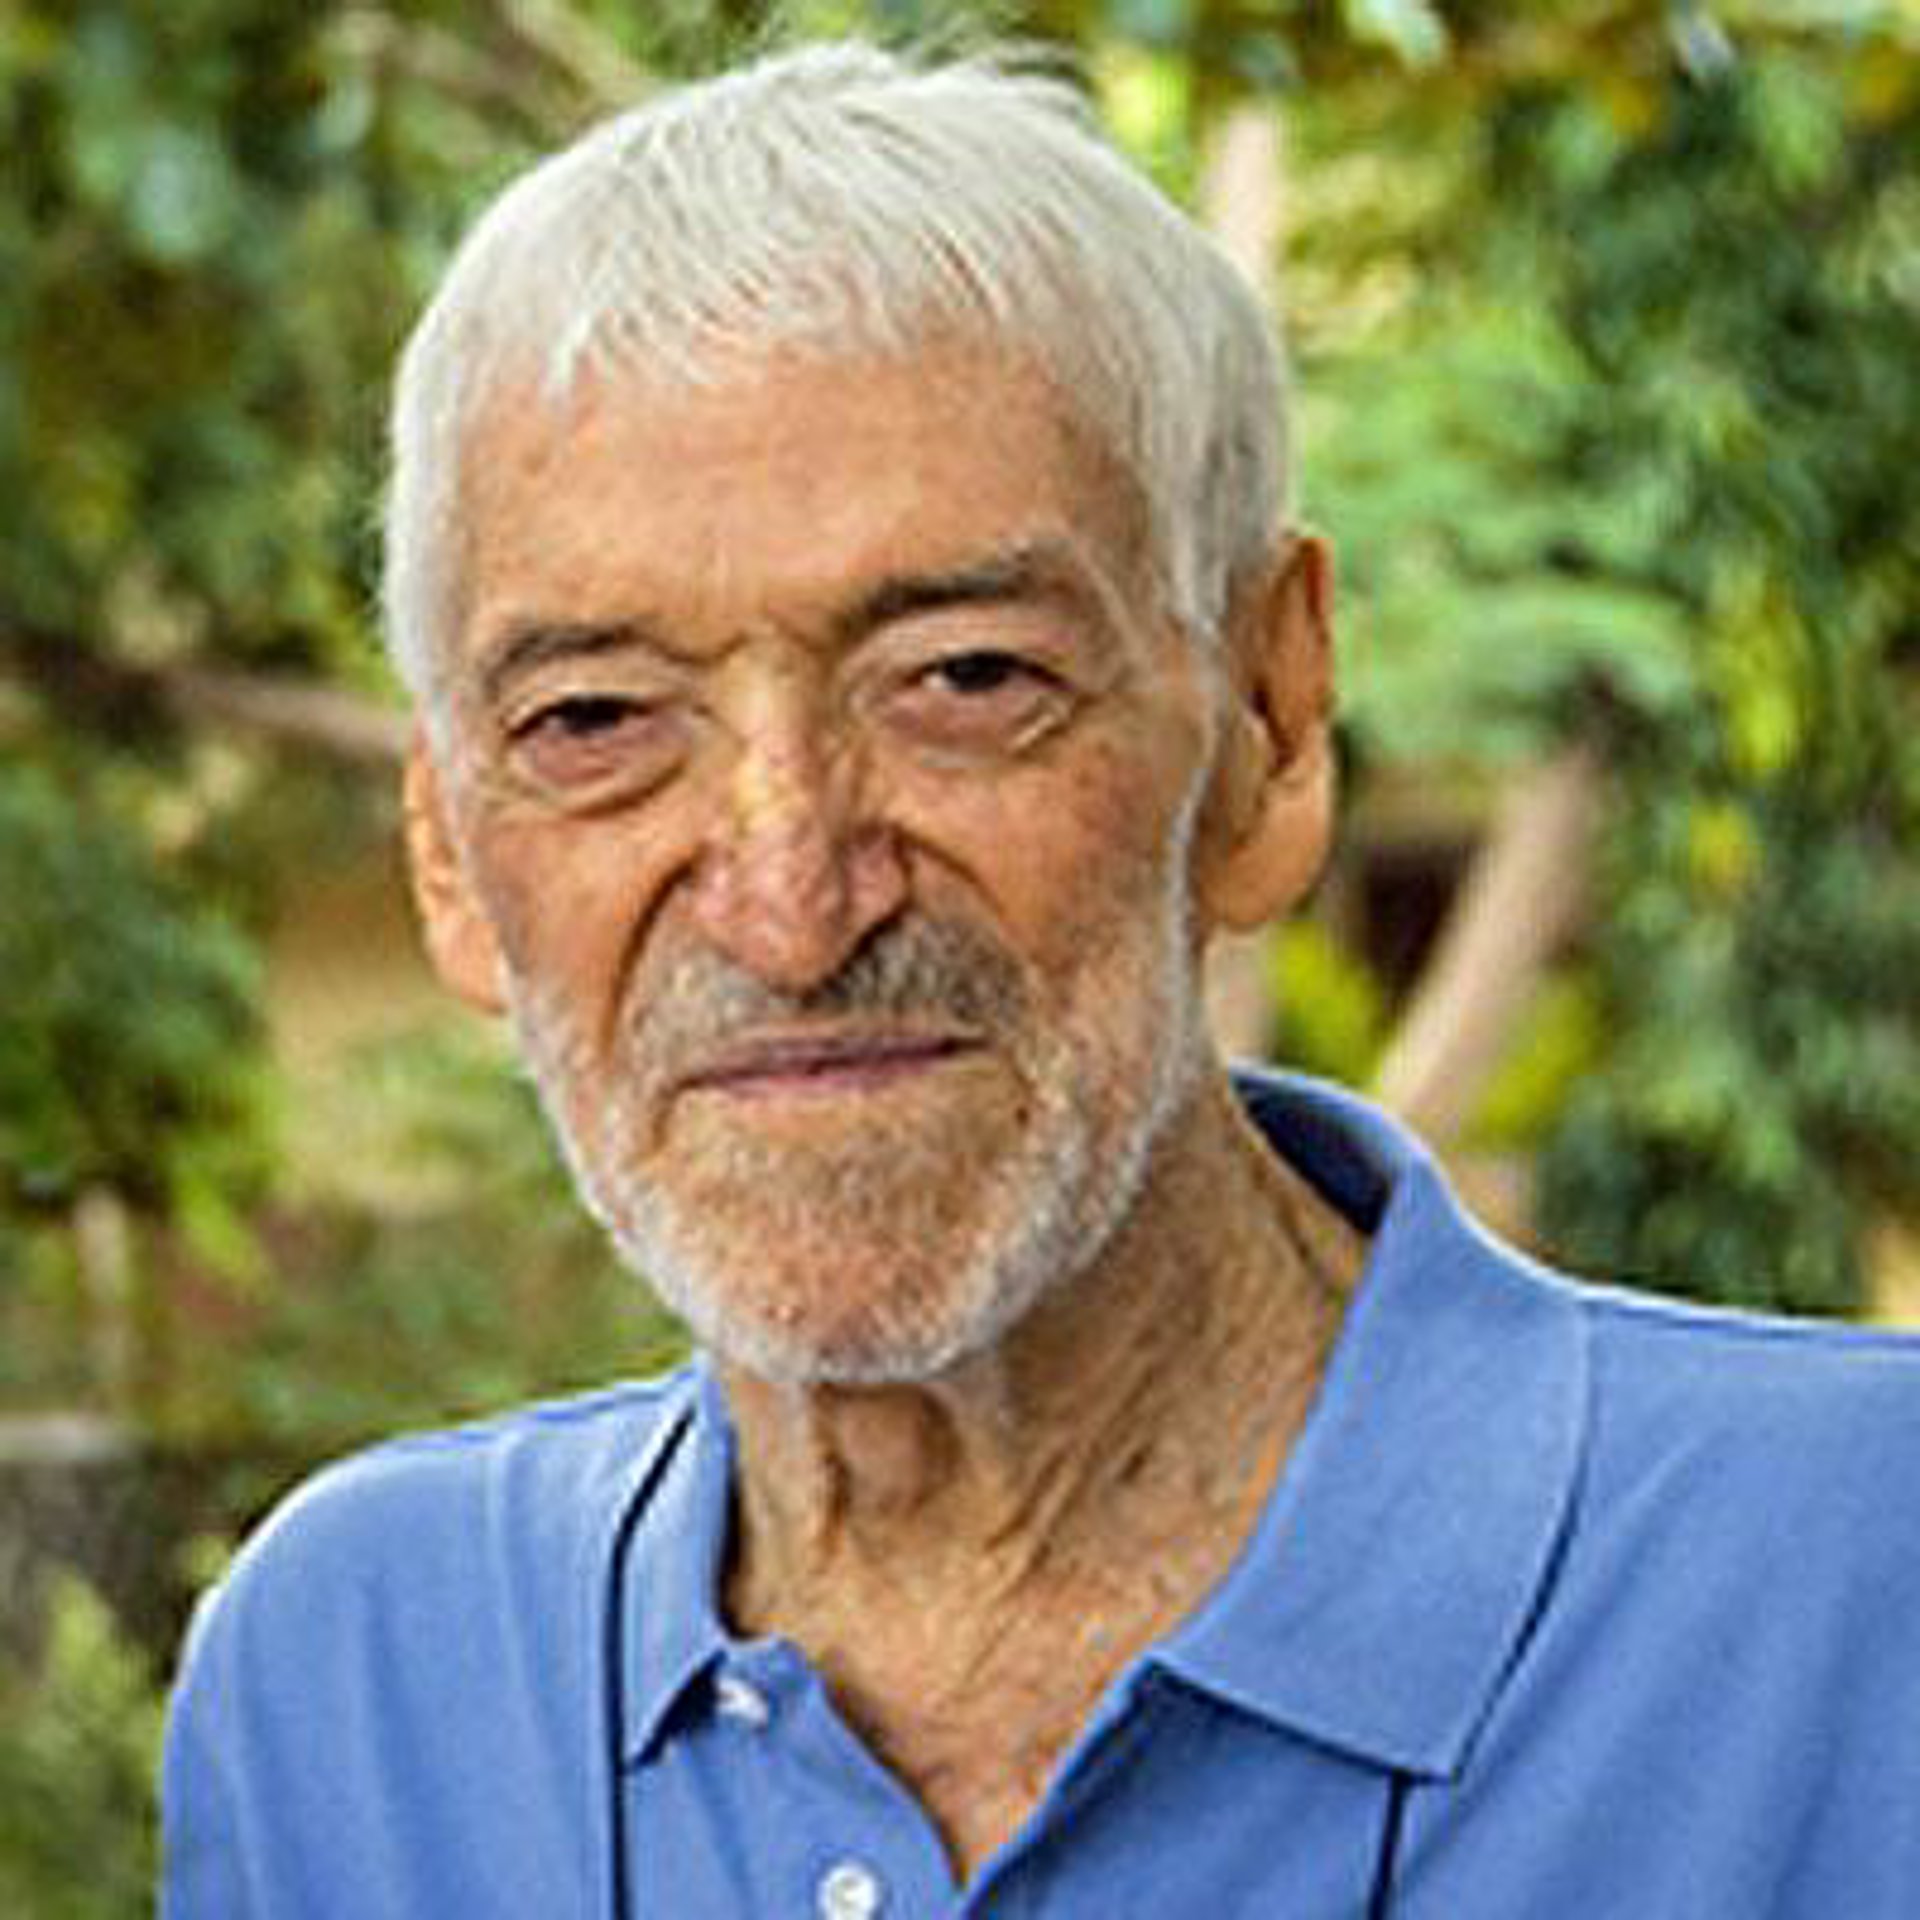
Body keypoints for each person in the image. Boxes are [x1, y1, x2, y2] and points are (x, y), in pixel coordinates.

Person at [161, 40, 1920, 1918]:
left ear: (1267, 724)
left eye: (966, 679)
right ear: (449, 853)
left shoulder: (1862, 1589)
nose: (791, 902)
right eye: (593, 719)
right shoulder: (357, 1685)